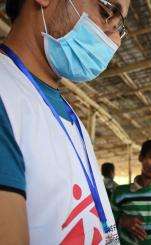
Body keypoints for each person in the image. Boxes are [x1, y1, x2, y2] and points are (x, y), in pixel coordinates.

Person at [0, 0, 130, 244]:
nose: (114, 41)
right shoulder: (6, 94)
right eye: (106, 12)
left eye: (118, 27)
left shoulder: (68, 113)